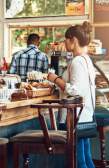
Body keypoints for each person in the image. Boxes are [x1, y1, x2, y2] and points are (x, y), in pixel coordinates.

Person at [47, 21, 95, 168]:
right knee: (86, 159)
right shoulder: (86, 59)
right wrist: (62, 80)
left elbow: (75, 90)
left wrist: (54, 79)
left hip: (74, 117)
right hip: (84, 116)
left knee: (79, 161)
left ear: (73, 39)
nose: (64, 43)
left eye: (65, 40)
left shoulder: (77, 61)